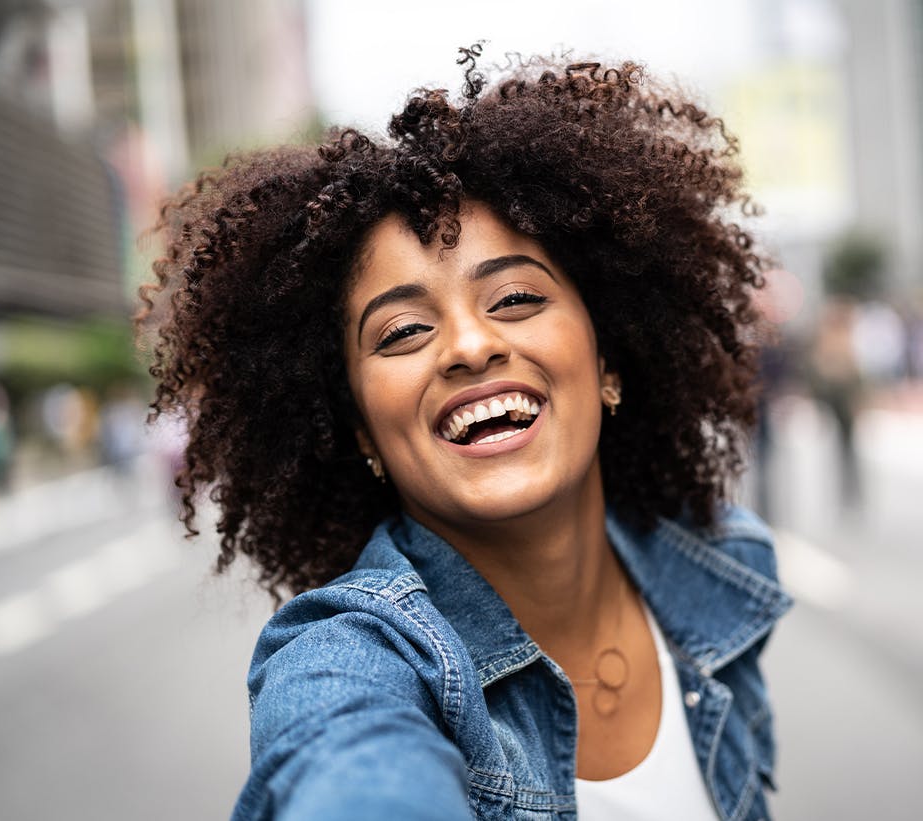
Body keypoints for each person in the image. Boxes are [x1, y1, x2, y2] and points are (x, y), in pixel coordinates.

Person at [138, 50, 792, 821]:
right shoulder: (348, 660)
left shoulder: (721, 562)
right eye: (404, 330)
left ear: (608, 357)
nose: (470, 345)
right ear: (358, 429)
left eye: (514, 297)